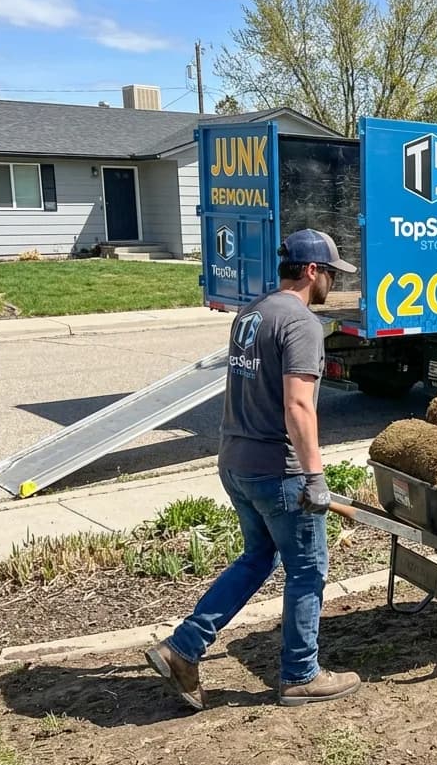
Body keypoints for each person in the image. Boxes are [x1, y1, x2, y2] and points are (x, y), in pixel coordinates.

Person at [146, 228, 361, 710]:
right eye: (330, 272)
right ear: (311, 271)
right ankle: (301, 675)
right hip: (277, 471)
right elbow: (299, 406)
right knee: (308, 569)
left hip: (236, 462)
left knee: (258, 557)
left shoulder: (252, 313)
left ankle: (182, 648)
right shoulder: (301, 323)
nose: (332, 282)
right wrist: (315, 477)